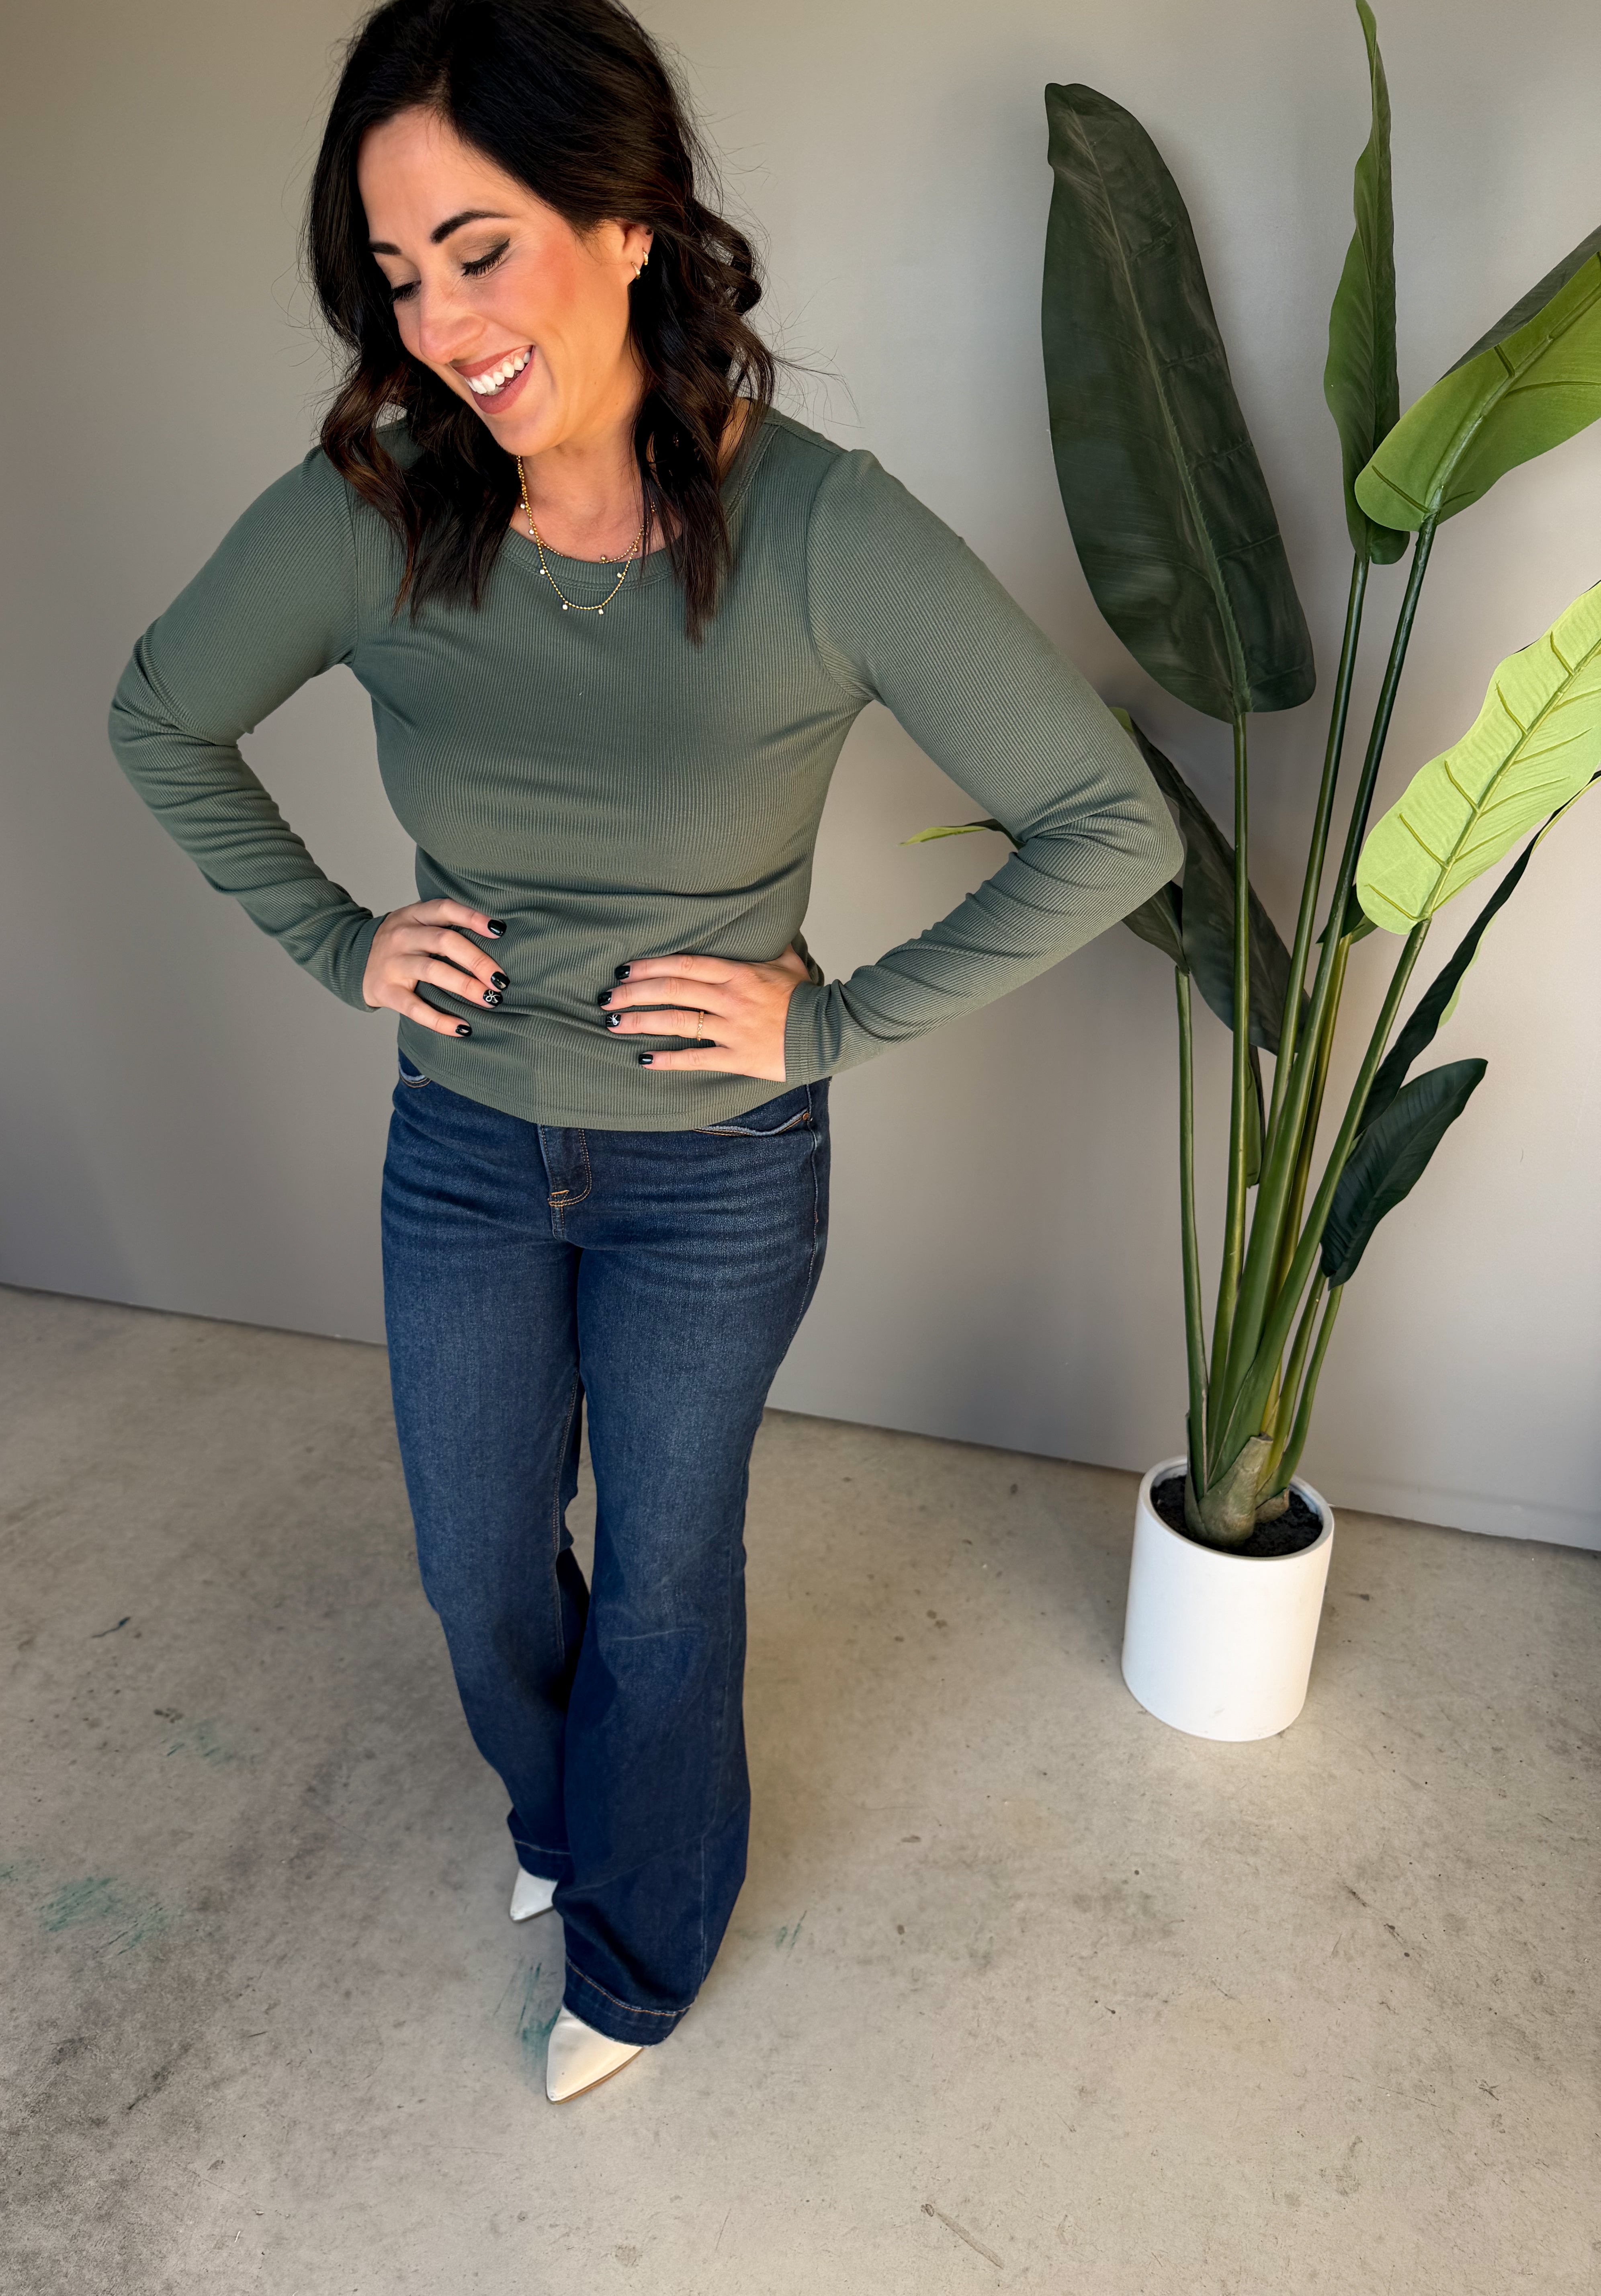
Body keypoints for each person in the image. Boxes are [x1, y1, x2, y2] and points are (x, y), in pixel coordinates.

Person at [108, 0, 1182, 2103]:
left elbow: (1107, 821)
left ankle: (637, 1946)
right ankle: (558, 1811)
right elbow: (163, 714)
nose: (438, 328)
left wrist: (836, 1016)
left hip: (717, 1175)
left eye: (478, 251)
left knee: (669, 1587)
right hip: (464, 1143)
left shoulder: (822, 530)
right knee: (477, 1571)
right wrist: (339, 939)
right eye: (396, 276)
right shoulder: (374, 507)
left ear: (626, 226)